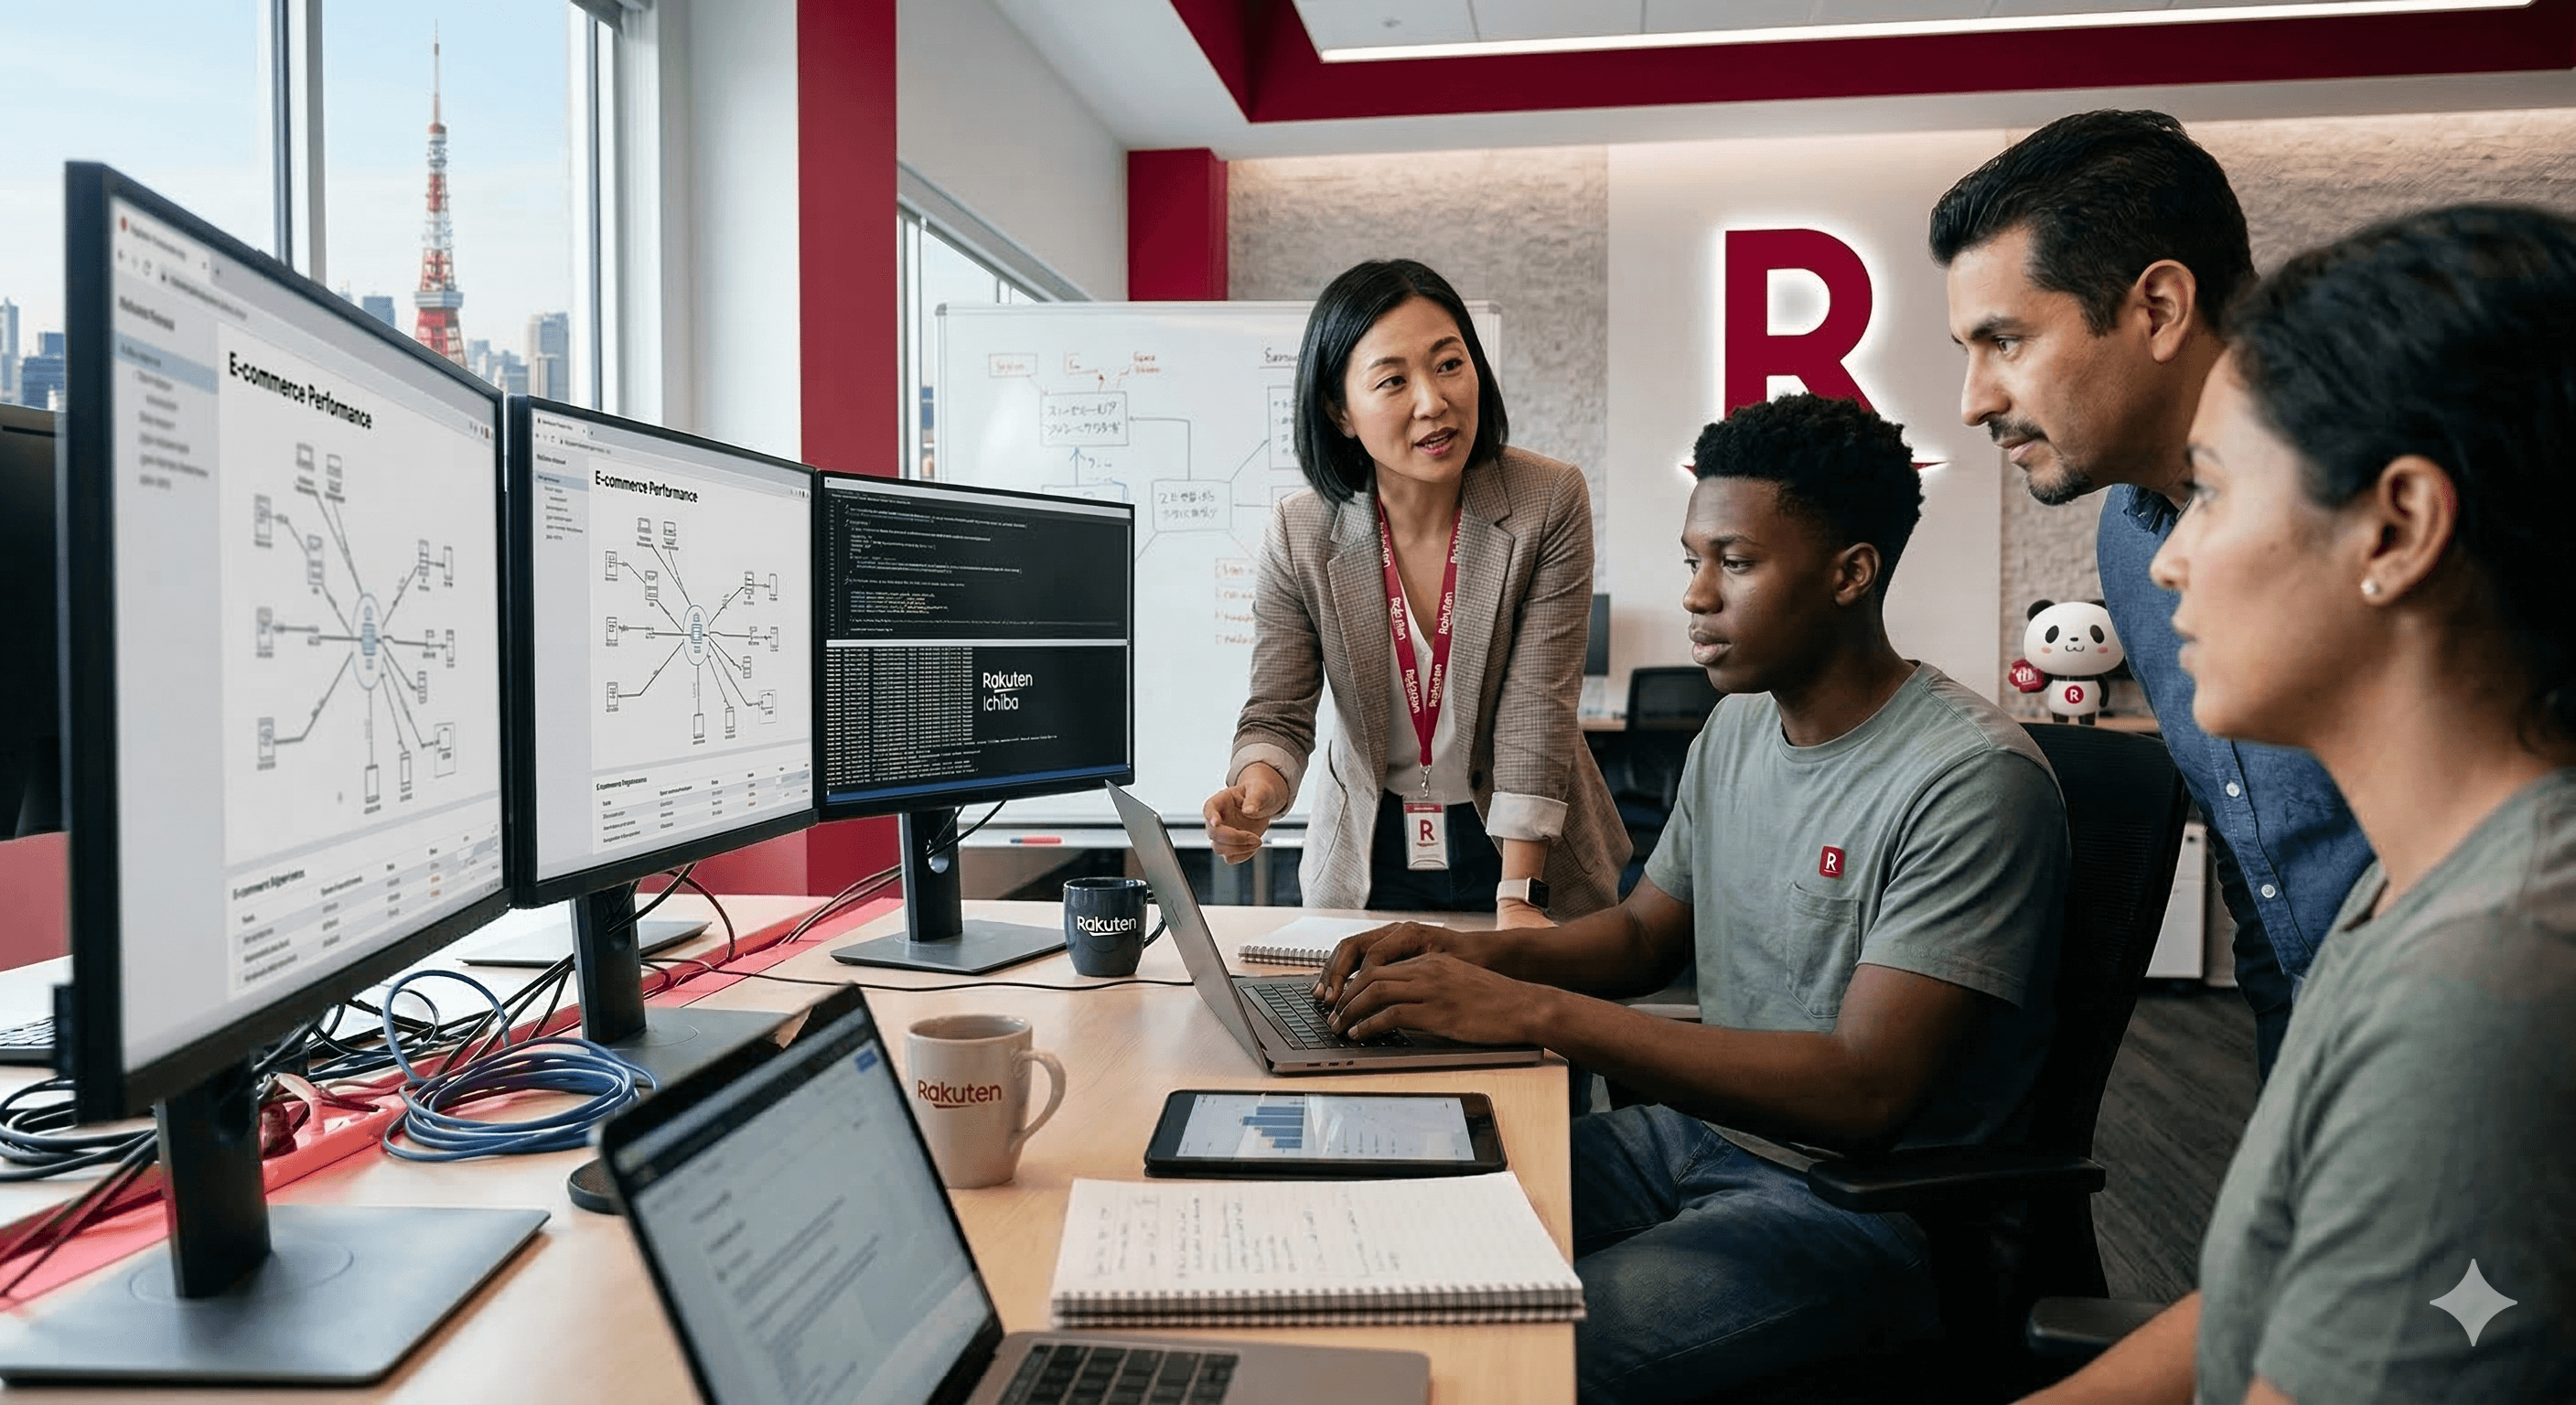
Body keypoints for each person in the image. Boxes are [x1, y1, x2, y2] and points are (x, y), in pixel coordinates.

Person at [1317, 394, 2070, 1402]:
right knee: (1377, 1241)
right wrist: (1458, 956)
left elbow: (1862, 1089)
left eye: (1737, 563)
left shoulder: (1970, 781)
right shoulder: (1739, 731)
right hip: (1691, 1135)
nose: (1696, 598)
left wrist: (1535, 1012)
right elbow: (1638, 939)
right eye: (1691, 562)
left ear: (1850, 573)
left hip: (1858, 1205)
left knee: (1515, 1351)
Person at [2023, 205, 2576, 1405]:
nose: (2167, 562)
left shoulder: (2485, 988)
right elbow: (2275, 1296)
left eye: (2213, 492)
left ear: (2397, 526)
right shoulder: (2418, 880)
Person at [1932, 111, 2375, 1078]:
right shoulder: (2128, 541)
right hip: (2309, 1027)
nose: (1972, 399)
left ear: (2160, 308)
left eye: (2003, 341)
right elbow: (2255, 847)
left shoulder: (2379, 492)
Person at [1205, 259, 1627, 922]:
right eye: (1393, 381)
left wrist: (1518, 897)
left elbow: (1536, 713)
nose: (1433, 401)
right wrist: (1256, 792)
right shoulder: (1301, 532)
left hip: (1527, 845)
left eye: (1449, 364)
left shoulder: (1547, 499)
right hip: (1371, 853)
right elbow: (1278, 712)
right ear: (1339, 411)